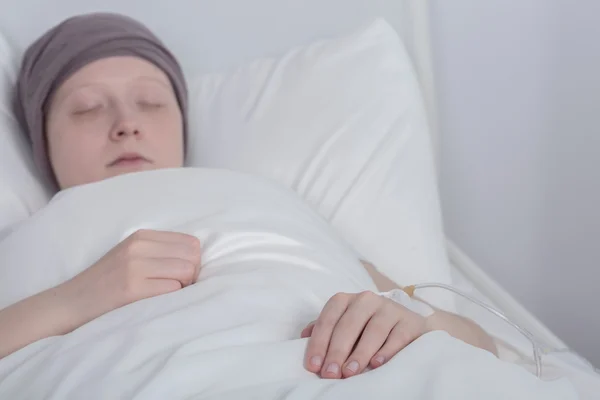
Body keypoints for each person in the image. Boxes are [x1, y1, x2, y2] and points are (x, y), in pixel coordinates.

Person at [0, 12, 496, 380]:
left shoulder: (264, 201)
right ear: (42, 140)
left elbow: (488, 349)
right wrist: (73, 301)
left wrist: (414, 324)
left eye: (150, 102)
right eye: (86, 109)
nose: (127, 124)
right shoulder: (23, 240)